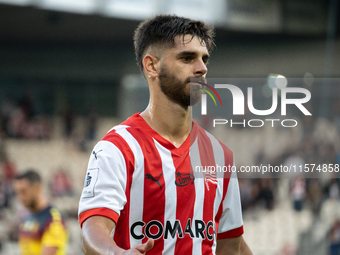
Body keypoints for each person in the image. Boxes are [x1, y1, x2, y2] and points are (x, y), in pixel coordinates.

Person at [78, 14, 252, 255]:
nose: (202, 68)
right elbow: (92, 231)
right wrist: (116, 253)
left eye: (204, 59)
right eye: (187, 58)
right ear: (152, 66)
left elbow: (232, 247)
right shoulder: (117, 147)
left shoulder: (220, 156)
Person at [13, 170, 68, 255]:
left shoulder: (53, 218)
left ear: (37, 188)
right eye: (18, 192)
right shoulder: (25, 216)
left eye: (23, 191)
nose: (20, 197)